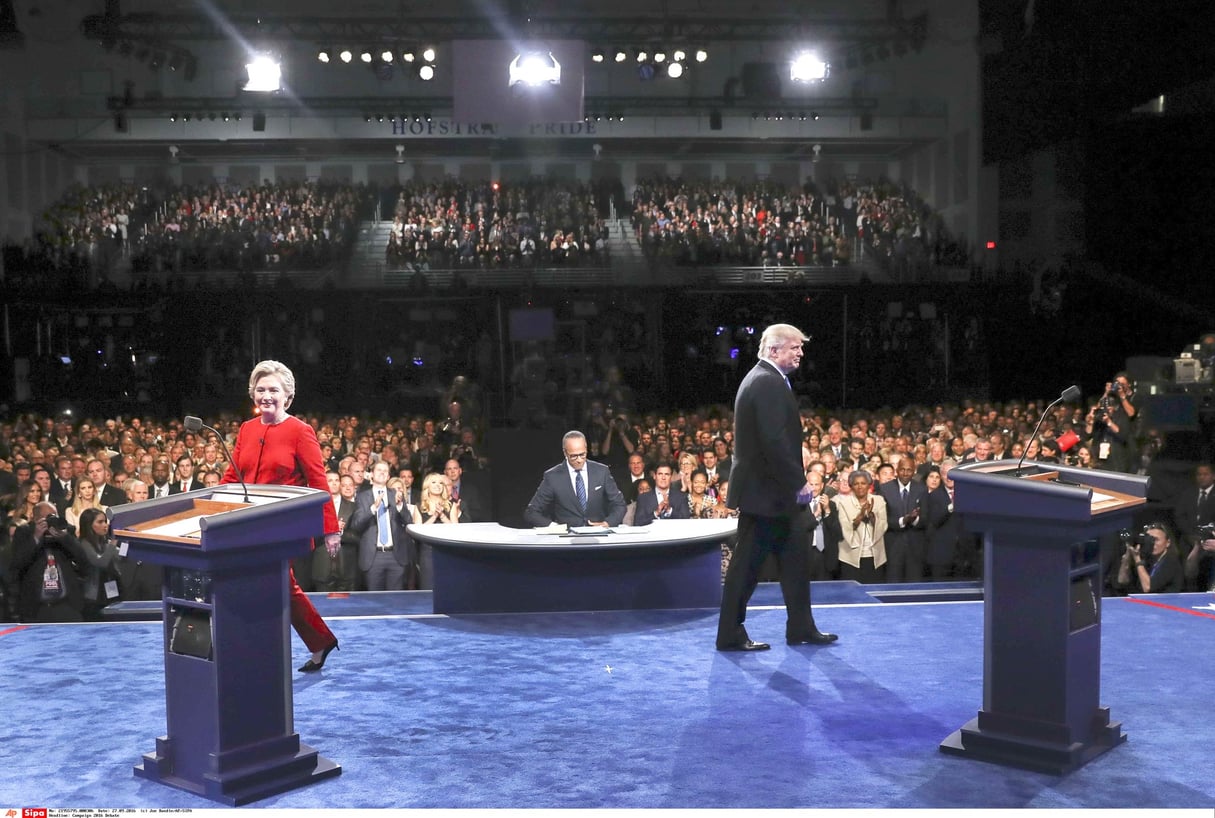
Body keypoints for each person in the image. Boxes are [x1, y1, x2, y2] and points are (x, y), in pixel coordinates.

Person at [715, 323, 837, 652]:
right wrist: (800, 485)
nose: (801, 353)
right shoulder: (766, 382)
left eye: (801, 347)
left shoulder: (767, 379)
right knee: (746, 569)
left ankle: (801, 626)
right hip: (767, 497)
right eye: (795, 348)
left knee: (796, 561)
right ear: (773, 350)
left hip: (773, 496)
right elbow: (774, 442)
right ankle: (729, 633)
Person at [222, 360, 341, 673]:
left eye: (273, 389)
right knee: (281, 586)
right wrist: (212, 505)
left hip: (284, 528)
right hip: (248, 525)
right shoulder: (247, 430)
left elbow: (318, 482)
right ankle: (320, 641)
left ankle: (261, 655)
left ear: (287, 395)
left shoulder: (300, 432)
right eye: (260, 389)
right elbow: (233, 476)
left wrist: (330, 528)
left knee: (268, 582)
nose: (266, 395)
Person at [523, 430, 626, 528]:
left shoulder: (601, 471)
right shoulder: (553, 477)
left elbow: (619, 505)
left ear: (586, 449)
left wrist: (607, 523)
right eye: (573, 456)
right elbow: (531, 512)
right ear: (565, 453)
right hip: (566, 540)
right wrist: (554, 527)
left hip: (598, 536)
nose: (579, 460)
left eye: (582, 454)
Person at [10, 502, 92, 622]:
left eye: (55, 516)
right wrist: (36, 537)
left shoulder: (66, 531)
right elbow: (18, 563)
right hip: (37, 608)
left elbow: (84, 561)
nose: (53, 520)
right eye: (49, 517)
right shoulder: (25, 532)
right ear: (36, 519)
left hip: (67, 606)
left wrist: (65, 538)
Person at [349, 461, 412, 591]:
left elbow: (409, 522)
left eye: (385, 471)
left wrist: (400, 506)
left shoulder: (396, 494)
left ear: (388, 477)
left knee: (395, 600)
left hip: (396, 555)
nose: (382, 473)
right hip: (373, 556)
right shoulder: (362, 497)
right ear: (371, 475)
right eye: (379, 470)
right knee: (374, 601)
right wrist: (373, 508)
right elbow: (356, 525)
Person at [834, 469, 889, 583]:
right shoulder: (843, 503)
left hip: (875, 558)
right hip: (850, 559)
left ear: (869, 485)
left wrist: (871, 516)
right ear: (851, 486)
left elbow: (883, 525)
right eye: (856, 484)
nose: (860, 487)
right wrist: (860, 516)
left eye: (863, 483)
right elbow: (844, 528)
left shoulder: (878, 501)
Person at [415, 472, 463, 588]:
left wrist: (442, 516)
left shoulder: (451, 505)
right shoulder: (419, 506)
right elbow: (417, 532)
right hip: (427, 553)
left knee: (447, 587)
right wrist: (434, 516)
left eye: (441, 483)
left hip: (447, 551)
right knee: (428, 588)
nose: (438, 485)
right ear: (427, 486)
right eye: (434, 482)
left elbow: (456, 530)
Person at [76, 507, 122, 619]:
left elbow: (121, 557)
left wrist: (125, 541)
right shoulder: (83, 544)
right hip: (94, 598)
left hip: (111, 593)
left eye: (105, 521)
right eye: (100, 522)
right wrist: (113, 543)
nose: (105, 525)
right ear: (89, 525)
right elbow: (101, 562)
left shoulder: (105, 543)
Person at [1118, 523, 1184, 594]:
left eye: (1156, 539)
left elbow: (1148, 588)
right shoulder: (1147, 561)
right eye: (1149, 540)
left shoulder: (1171, 562)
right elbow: (1122, 580)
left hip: (1167, 603)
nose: (1152, 543)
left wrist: (1137, 559)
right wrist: (1129, 552)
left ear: (1168, 542)